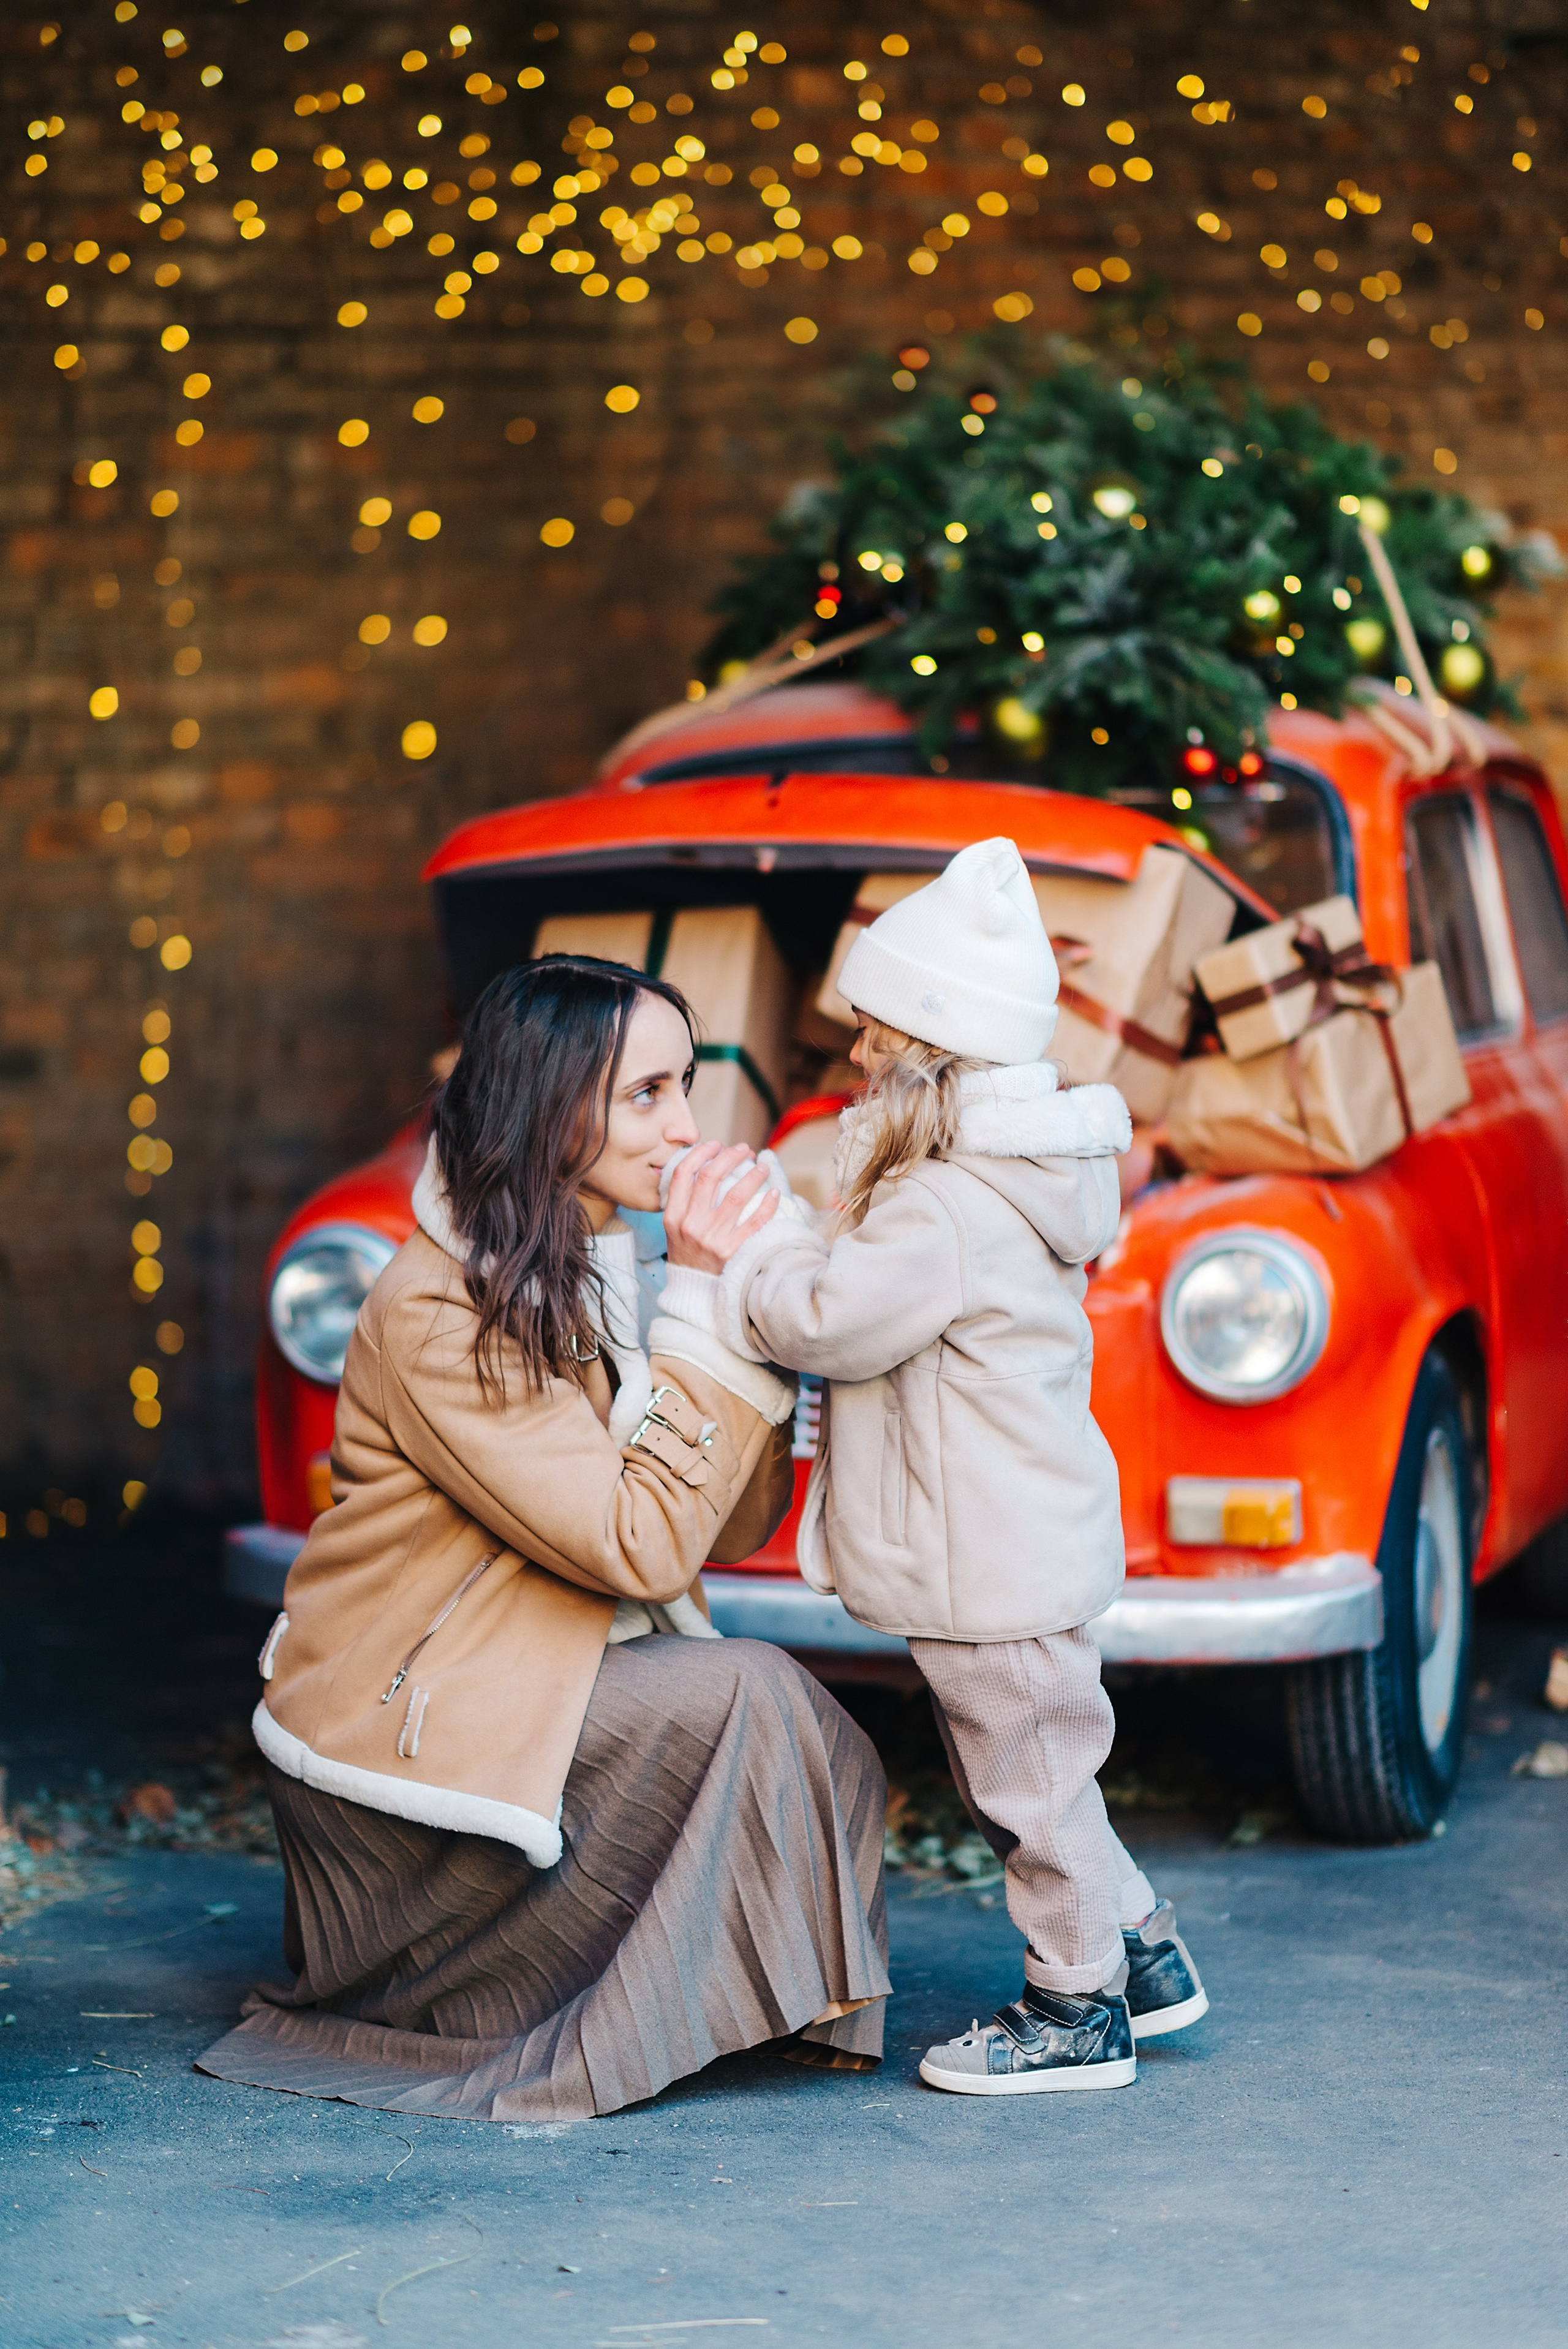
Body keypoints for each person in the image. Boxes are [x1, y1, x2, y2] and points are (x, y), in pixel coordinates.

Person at [198, 955, 890, 2122]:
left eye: (686, 1087)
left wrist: (751, 1309)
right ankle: (552, 2003)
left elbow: (731, 1526)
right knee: (749, 1692)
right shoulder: (439, 1307)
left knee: (828, 1740)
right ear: (548, 1104)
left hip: (528, 1672)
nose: (685, 1128)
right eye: (647, 1095)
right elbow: (643, 1549)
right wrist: (700, 1306)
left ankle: (768, 2004)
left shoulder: (600, 1257)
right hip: (406, 1742)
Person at [661, 840, 1207, 2097]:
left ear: (926, 1052)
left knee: (1029, 1783)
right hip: (1016, 1534)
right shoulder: (997, 1181)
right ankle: (1140, 1955)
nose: (852, 1053)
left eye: (869, 1032)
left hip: (988, 1553)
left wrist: (749, 1258)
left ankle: (1075, 2011)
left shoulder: (944, 1203)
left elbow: (826, 1320)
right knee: (1042, 1761)